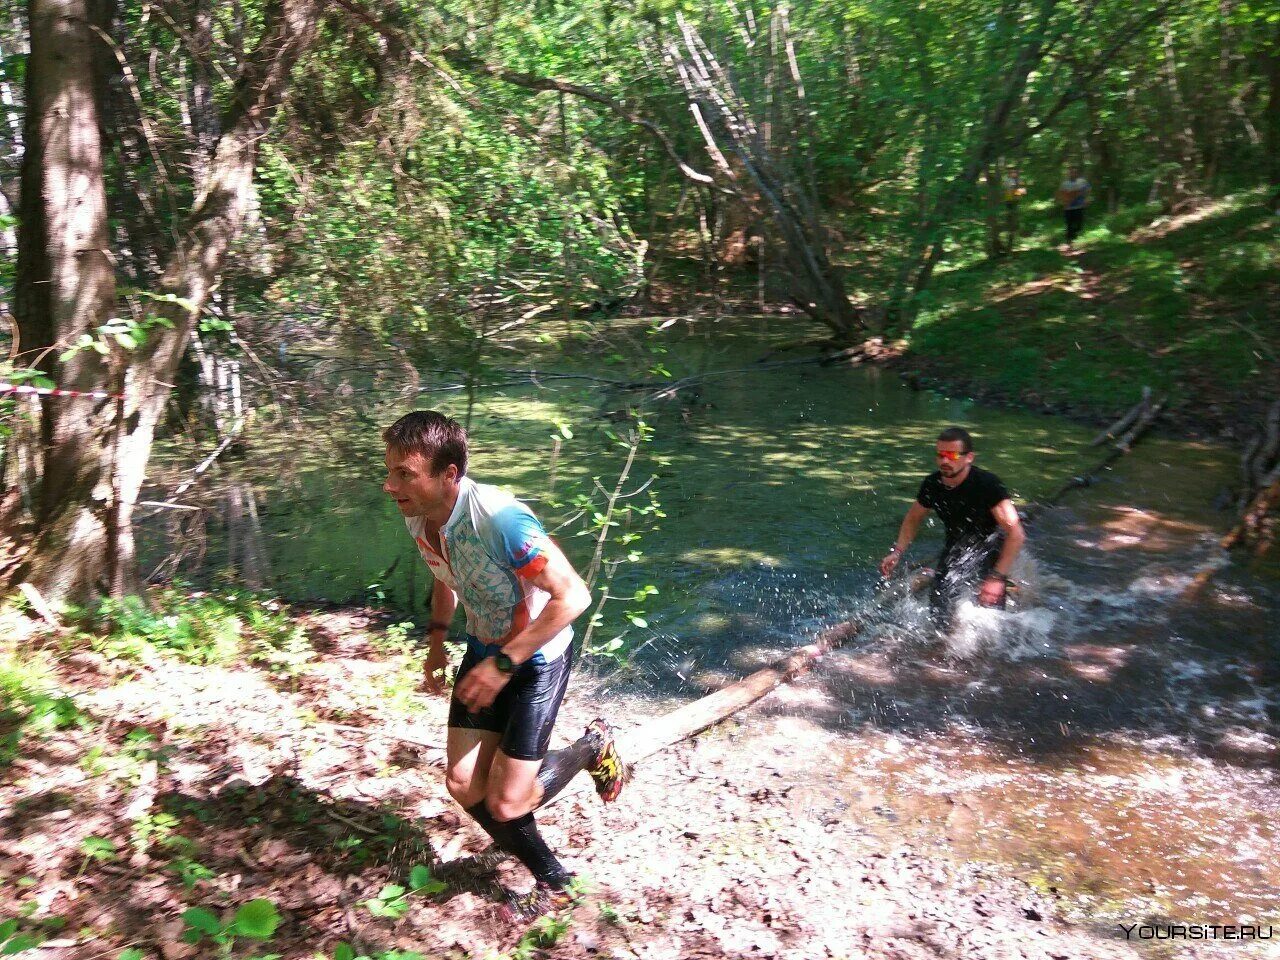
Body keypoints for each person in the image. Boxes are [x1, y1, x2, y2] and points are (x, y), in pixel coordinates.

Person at [382, 410, 626, 918]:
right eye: (390, 472)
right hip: (484, 650)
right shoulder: (418, 513)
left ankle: (589, 751)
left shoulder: (500, 519)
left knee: (508, 803)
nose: (391, 486)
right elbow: (446, 574)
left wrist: (505, 663)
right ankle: (551, 866)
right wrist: (436, 642)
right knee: (464, 783)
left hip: (536, 659)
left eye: (405, 473)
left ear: (450, 475)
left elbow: (573, 595)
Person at [879, 427, 1026, 630]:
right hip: (956, 547)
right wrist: (897, 551)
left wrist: (997, 577)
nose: (944, 461)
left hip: (991, 546)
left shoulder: (988, 485)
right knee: (940, 605)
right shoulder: (933, 484)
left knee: (992, 617)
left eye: (952, 455)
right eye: (940, 455)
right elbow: (913, 518)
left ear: (969, 458)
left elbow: (1016, 534)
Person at [1056, 167, 1090, 246]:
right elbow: (1061, 193)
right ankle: (1069, 241)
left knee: (1079, 224)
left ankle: (1074, 235)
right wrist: (1062, 201)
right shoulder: (1064, 184)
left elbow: (1088, 190)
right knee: (1069, 224)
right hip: (1068, 208)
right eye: (1071, 172)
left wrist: (1087, 199)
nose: (1072, 174)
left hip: (1079, 206)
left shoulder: (1082, 182)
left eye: (1074, 172)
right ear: (1068, 174)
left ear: (1077, 173)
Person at [1001, 167, 1026, 252]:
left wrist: (1019, 191)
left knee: (1015, 213)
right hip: (1008, 199)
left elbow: (1023, 190)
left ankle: (1016, 227)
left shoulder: (1019, 180)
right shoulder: (1007, 180)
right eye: (1012, 172)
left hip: (1016, 200)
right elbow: (1005, 189)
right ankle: (1009, 226)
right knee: (1010, 213)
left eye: (1014, 172)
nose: (1013, 174)